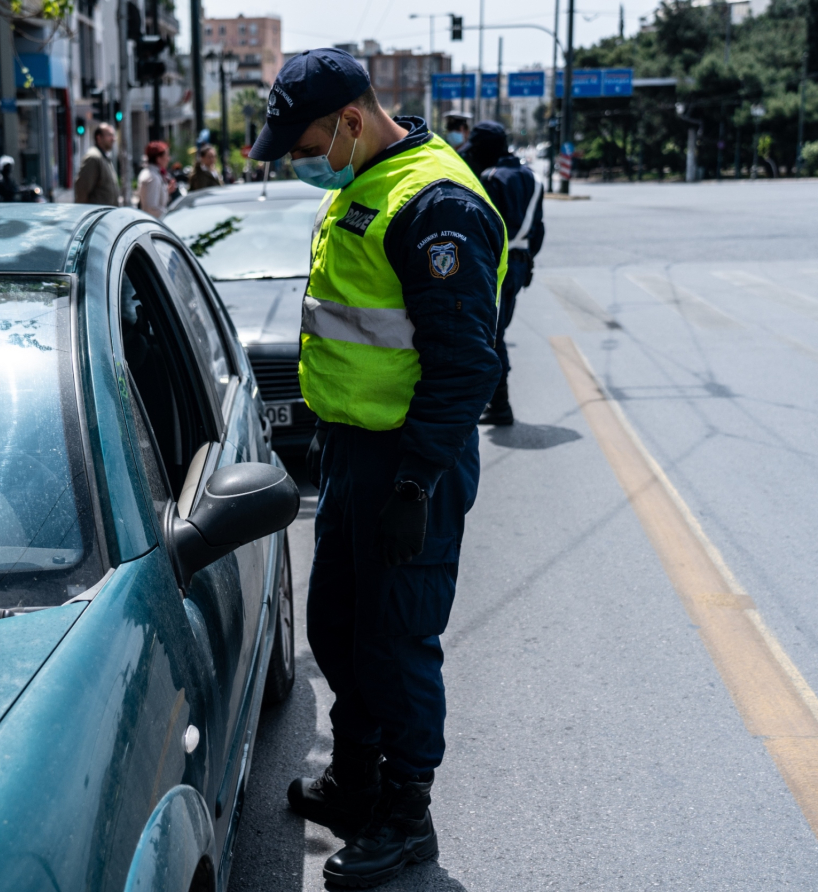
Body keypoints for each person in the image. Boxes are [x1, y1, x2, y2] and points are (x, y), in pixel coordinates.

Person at [248, 48, 507, 888]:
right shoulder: (369, 180)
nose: (299, 161)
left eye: (305, 143)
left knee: (397, 643)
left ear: (352, 123)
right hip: (354, 452)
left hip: (409, 465)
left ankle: (407, 817)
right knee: (338, 624)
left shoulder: (435, 205)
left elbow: (465, 363)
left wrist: (415, 481)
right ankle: (356, 783)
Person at [458, 121, 544, 426]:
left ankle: (501, 404)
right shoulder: (532, 177)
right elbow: (539, 229)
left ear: (485, 151)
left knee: (492, 335)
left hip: (498, 264)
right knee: (497, 332)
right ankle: (497, 402)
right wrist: (528, 261)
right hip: (521, 262)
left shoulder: (491, 178)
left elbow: (484, 227)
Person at [74, 123, 120, 206]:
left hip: (107, 214)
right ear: (99, 138)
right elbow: (82, 190)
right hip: (98, 215)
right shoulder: (93, 157)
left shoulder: (103, 157)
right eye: (109, 135)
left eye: (113, 135)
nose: (113, 139)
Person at [136, 141, 174, 219]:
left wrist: (167, 191)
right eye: (167, 155)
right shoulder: (152, 177)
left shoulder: (153, 174)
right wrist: (171, 216)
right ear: (158, 159)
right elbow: (152, 208)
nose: (168, 159)